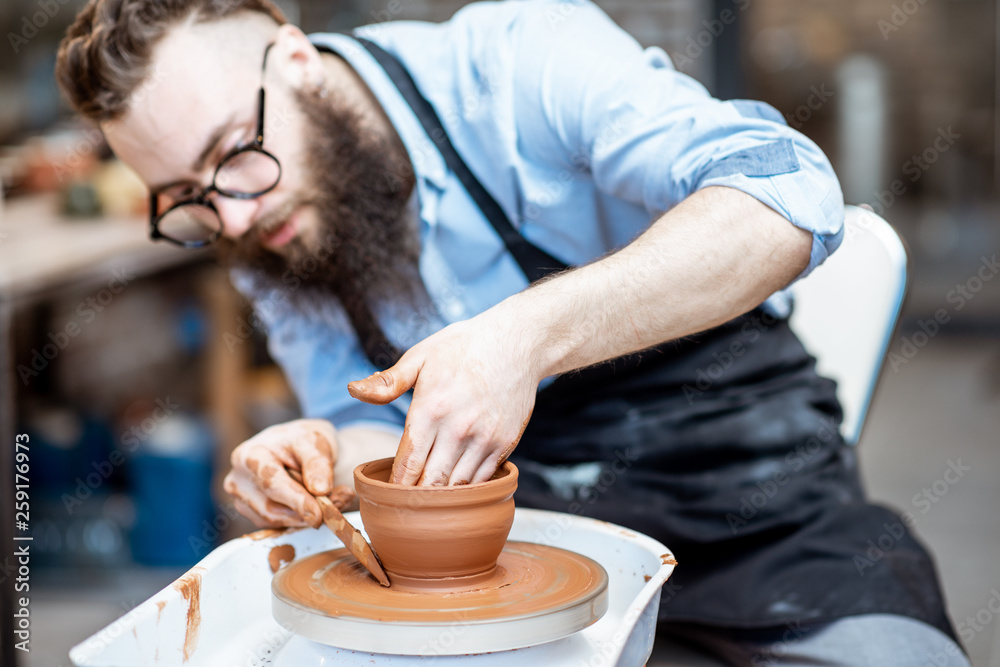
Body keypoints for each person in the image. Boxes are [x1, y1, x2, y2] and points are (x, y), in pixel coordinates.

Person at [56, 0, 968, 663]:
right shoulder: (264, 218)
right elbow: (370, 417)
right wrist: (330, 452)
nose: (236, 216)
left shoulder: (521, 61)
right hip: (518, 555)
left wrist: (528, 335)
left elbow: (787, 195)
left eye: (232, 155)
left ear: (296, 59)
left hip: (756, 515)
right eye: (188, 198)